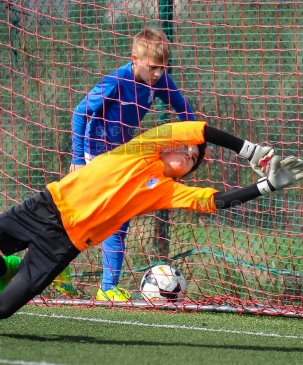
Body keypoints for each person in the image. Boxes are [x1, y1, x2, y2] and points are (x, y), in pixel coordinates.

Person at [0, 121, 303, 335]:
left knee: (3, 309)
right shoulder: (140, 149)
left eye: (193, 158)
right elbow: (195, 129)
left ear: (185, 171)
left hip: (64, 243)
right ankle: (5, 268)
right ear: (165, 148)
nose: (186, 152)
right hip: (44, 207)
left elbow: (209, 202)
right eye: (182, 148)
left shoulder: (166, 190)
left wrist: (267, 186)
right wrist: (250, 151)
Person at [53, 28, 197, 300]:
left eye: (162, 67)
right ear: (135, 58)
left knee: (117, 219)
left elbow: (184, 109)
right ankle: (54, 265)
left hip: (122, 158)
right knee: (88, 217)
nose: (157, 73)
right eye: (153, 67)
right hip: (95, 155)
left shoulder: (161, 81)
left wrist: (194, 139)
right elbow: (80, 114)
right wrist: (77, 159)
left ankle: (106, 287)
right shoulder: (115, 81)